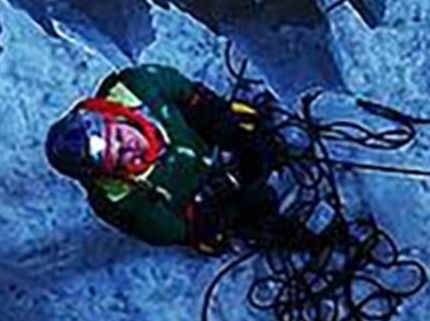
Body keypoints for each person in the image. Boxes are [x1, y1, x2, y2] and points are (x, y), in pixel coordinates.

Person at [44, 64, 286, 251]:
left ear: (115, 118)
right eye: (117, 157)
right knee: (245, 213)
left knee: (232, 124)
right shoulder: (120, 203)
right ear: (108, 172)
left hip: (203, 138)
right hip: (200, 192)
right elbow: (172, 230)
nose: (128, 146)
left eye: (118, 135)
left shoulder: (137, 86)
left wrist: (215, 112)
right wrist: (213, 220)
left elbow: (184, 89)